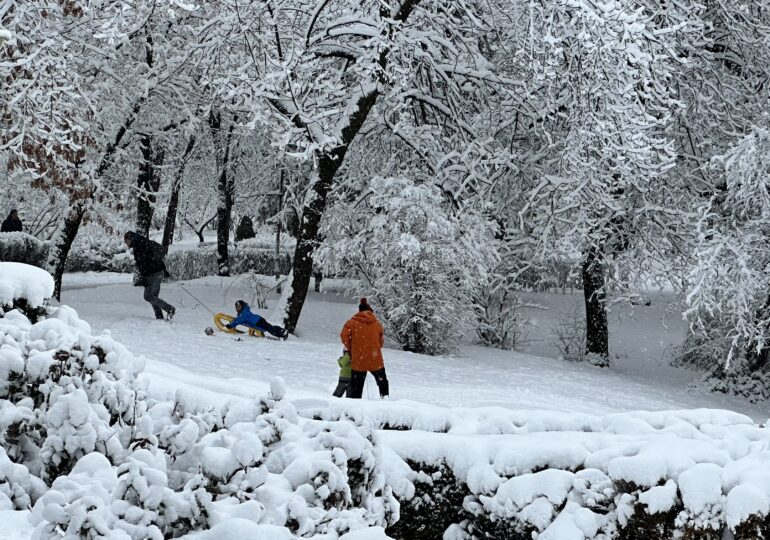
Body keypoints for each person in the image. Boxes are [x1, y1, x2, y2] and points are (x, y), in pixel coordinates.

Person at [340, 298, 389, 399]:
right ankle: (385, 399)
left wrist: (352, 347)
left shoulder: (351, 323)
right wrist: (374, 348)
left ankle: (355, 407)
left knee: (356, 388)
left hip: (358, 359)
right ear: (370, 312)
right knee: (382, 382)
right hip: (375, 359)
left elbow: (344, 336)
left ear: (360, 311)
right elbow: (381, 342)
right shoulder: (377, 324)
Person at [124, 231, 175, 320]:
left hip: (155, 273)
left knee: (149, 296)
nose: (125, 242)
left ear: (131, 239)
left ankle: (169, 309)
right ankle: (159, 317)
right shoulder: (141, 244)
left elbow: (145, 263)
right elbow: (150, 261)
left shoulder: (141, 246)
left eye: (126, 240)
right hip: (154, 273)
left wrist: (146, 275)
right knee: (152, 297)